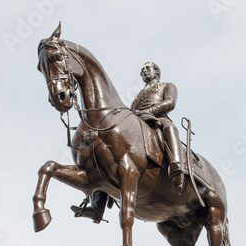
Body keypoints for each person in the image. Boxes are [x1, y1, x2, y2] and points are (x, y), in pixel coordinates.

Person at [71, 61, 185, 222]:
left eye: (148, 69)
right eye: (142, 70)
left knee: (169, 128)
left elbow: (170, 103)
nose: (144, 72)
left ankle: (176, 165)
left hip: (156, 118)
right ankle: (97, 207)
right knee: (108, 158)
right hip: (139, 123)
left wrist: (148, 111)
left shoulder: (166, 86)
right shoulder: (138, 95)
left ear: (156, 71)